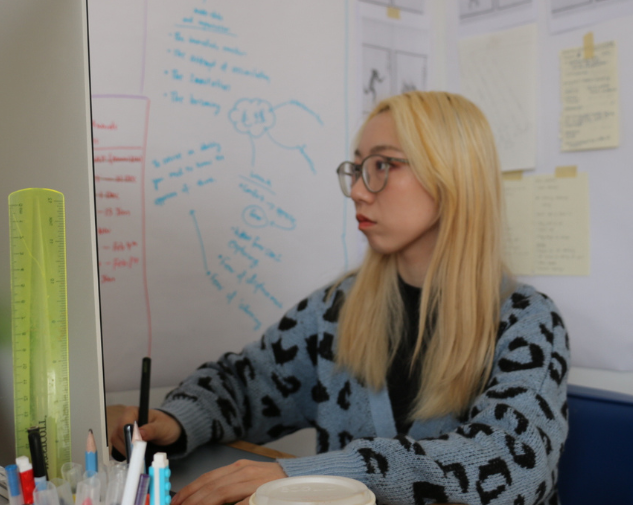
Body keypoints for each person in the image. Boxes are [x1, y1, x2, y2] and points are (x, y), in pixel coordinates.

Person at [108, 91, 569, 505]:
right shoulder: (338, 309)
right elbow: (246, 386)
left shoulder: (527, 321)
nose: (356, 190)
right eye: (357, 167)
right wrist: (174, 419)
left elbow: (510, 462)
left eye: (383, 165)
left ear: (451, 179)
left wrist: (314, 474)